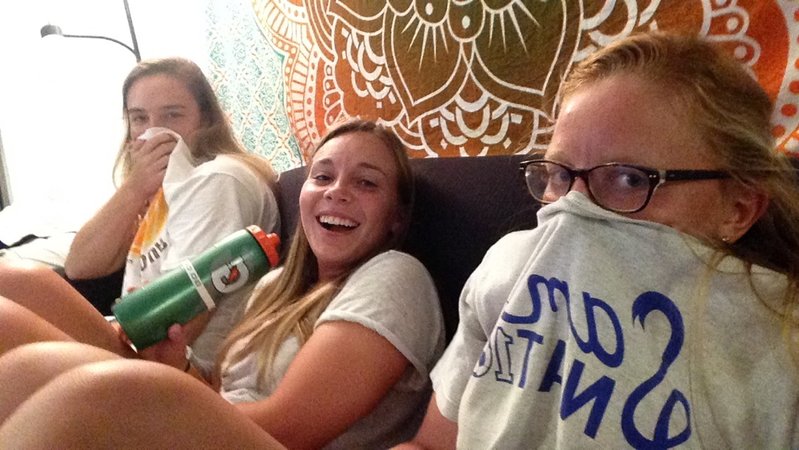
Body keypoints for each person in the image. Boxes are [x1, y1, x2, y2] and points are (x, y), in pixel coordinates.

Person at [396, 32, 799, 448]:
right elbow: (431, 443)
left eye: (629, 179)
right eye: (559, 174)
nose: (573, 209)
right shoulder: (506, 269)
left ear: (738, 209)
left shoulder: (780, 348)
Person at [0, 119, 446, 449]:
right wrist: (178, 367)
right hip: (219, 431)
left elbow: (286, 430)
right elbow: (226, 397)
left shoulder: (395, 276)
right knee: (20, 301)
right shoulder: (273, 287)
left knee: (89, 394)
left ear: (396, 218)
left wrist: (151, 397)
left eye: (366, 183)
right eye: (323, 176)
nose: (336, 191)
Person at [0, 57, 280, 374]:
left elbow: (178, 319)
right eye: (139, 118)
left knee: (14, 287)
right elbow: (80, 266)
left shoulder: (217, 179)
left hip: (181, 366)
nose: (153, 131)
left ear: (205, 120)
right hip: (144, 349)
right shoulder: (160, 192)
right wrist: (135, 188)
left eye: (172, 115)